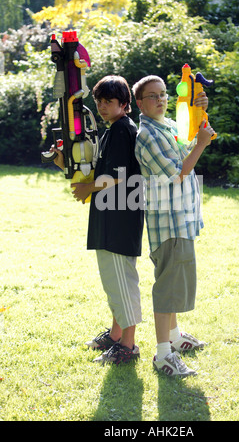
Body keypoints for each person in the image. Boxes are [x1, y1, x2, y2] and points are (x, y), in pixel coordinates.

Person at [50, 75, 144, 365]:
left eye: (109, 102)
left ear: (125, 104)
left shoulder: (121, 130)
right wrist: (63, 161)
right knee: (114, 282)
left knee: (121, 282)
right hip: (110, 217)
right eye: (100, 101)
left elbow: (121, 175)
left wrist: (89, 188)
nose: (102, 107)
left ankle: (128, 346)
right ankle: (116, 336)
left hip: (120, 218)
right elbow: (100, 172)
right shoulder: (112, 130)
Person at [132, 74, 216, 377]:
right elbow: (178, 171)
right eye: (153, 96)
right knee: (168, 287)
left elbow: (186, 147)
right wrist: (202, 145)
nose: (161, 100)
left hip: (181, 217)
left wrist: (199, 113)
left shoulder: (167, 126)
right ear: (140, 104)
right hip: (167, 221)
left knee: (177, 281)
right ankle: (163, 354)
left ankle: (175, 337)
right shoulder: (147, 135)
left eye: (163, 94)